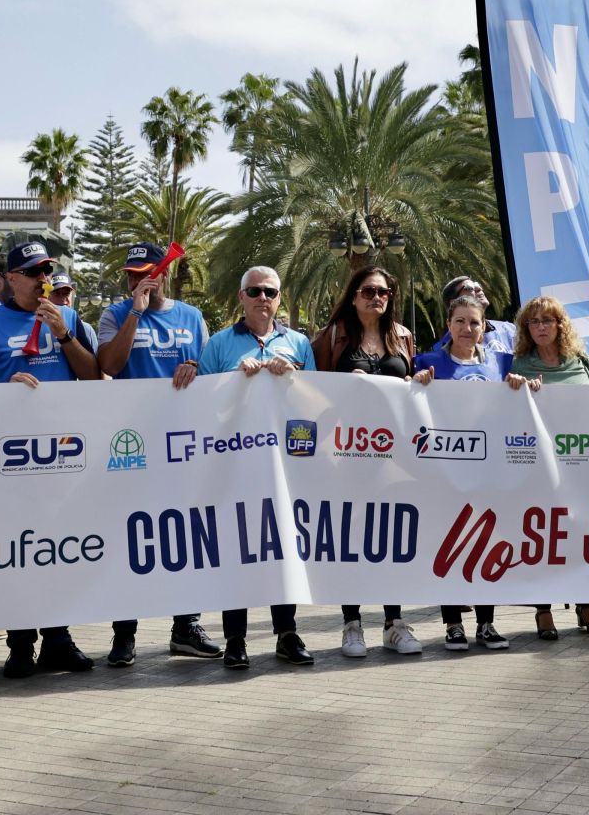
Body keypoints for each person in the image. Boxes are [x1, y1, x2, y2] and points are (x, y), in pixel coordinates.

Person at [0, 241, 102, 678]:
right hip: (12, 462)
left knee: (58, 551)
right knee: (20, 553)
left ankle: (58, 639)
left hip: (61, 458)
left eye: (47, 270)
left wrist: (62, 333)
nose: (43, 278)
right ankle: (21, 644)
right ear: (12, 278)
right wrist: (7, 392)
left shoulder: (70, 317)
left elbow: (92, 375)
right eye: (33, 271)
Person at [96, 243, 221, 666]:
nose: (136, 280)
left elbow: (209, 370)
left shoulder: (191, 316)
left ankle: (185, 627)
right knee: (128, 535)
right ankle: (124, 633)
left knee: (185, 535)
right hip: (132, 443)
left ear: (163, 274)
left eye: (144, 273)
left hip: (183, 443)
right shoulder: (115, 314)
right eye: (131, 274)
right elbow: (110, 364)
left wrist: (196, 369)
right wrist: (135, 310)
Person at [194, 265, 316, 669]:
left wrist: (292, 377)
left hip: (284, 465)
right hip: (234, 464)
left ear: (279, 297)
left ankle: (287, 633)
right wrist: (233, 379)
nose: (263, 298)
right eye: (255, 291)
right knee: (237, 550)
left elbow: (316, 400)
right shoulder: (218, 345)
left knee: (283, 548)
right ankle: (235, 640)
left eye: (270, 291)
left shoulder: (298, 343)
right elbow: (202, 405)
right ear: (241, 297)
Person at [312, 265, 427, 656]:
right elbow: (312, 395)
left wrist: (418, 383)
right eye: (368, 291)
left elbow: (410, 393)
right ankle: (352, 624)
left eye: (383, 292)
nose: (376, 297)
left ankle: (394, 623)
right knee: (352, 538)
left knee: (390, 536)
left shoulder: (403, 338)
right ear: (353, 295)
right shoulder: (331, 337)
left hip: (392, 453)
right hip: (346, 453)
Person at [505, 295, 589, 640]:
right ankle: (543, 610)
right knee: (543, 538)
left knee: (579, 535)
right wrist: (516, 389)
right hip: (539, 468)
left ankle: (585, 604)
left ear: (560, 324)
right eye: (533, 323)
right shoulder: (519, 364)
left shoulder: (579, 360)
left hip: (581, 466)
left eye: (547, 321)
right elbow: (507, 408)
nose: (540, 328)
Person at [415, 293, 511, 652]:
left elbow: (518, 402)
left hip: (487, 472)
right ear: (448, 325)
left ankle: (486, 623)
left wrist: (523, 385)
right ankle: (453, 623)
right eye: (460, 321)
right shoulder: (427, 362)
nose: (468, 329)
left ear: (484, 327)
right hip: (444, 473)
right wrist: (416, 383)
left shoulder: (500, 364)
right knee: (448, 545)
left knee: (485, 544)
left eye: (475, 322)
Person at [429, 276, 516, 358]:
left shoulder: (509, 329)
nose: (479, 289)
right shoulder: (440, 351)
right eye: (469, 288)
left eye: (477, 285)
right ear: (454, 302)